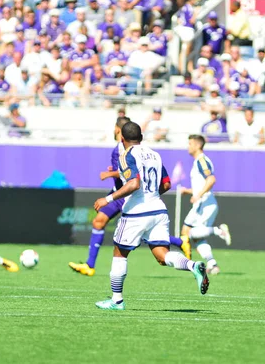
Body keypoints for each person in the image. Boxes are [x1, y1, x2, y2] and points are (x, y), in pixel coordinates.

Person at [93, 122, 209, 310]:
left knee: (120, 253)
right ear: (142, 137)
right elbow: (166, 184)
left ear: (122, 138)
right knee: (162, 256)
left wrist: (108, 199)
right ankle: (193, 266)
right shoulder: (155, 154)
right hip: (158, 210)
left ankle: (116, 301)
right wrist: (151, 198)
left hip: (136, 212)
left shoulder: (126, 155)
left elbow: (133, 184)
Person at [68, 117, 130, 277]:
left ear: (117, 129)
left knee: (145, 234)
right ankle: (90, 265)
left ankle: (179, 241)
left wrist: (109, 173)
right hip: (117, 192)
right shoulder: (121, 147)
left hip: (126, 194)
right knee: (98, 221)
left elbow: (128, 171)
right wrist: (114, 171)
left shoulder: (122, 148)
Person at [176, 135, 230, 274]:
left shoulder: (202, 161)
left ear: (197, 145)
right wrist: (188, 191)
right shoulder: (198, 162)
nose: (188, 146)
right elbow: (203, 184)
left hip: (204, 203)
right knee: (197, 237)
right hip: (204, 202)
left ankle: (219, 231)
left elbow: (211, 179)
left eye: (190, 143)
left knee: (188, 232)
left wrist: (198, 195)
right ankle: (212, 264)